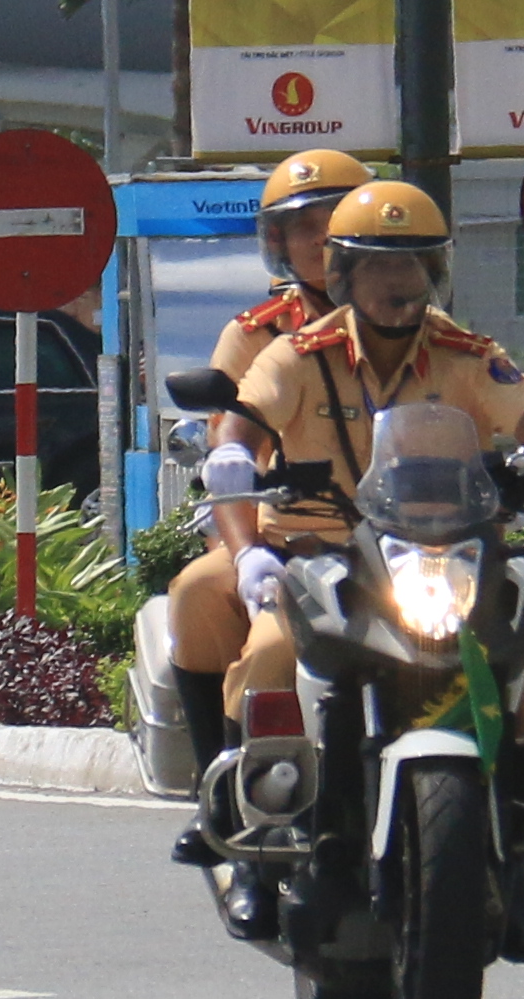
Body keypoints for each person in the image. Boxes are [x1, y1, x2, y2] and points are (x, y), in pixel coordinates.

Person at [222, 178, 524, 736]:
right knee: (271, 653)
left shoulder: (468, 354)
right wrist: (232, 451)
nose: (395, 283)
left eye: (411, 267)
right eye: (376, 267)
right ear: (344, 275)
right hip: (322, 556)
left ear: (434, 274)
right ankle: (249, 799)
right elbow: (249, 413)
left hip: (449, 553)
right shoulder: (298, 354)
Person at [154, 151, 372, 784]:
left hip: (401, 542)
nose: (326, 240)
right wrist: (249, 553)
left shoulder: (420, 326)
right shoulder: (259, 336)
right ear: (279, 243)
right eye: (308, 228)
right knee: (198, 593)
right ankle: (227, 797)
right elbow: (232, 448)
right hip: (291, 539)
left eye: (341, 221)